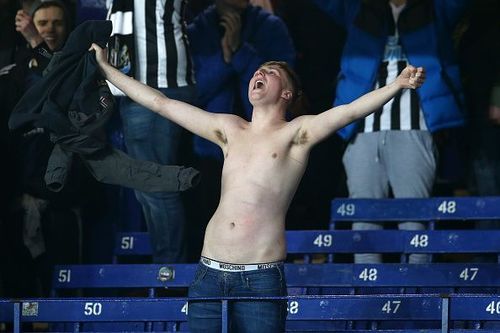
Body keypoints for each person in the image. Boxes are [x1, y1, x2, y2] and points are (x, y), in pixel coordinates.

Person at [91, 41, 425, 332]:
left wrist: (396, 85)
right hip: (209, 273)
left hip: (260, 277)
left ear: (287, 93)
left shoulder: (296, 134)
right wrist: (106, 69)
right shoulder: (228, 128)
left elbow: (350, 112)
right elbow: (161, 103)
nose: (258, 73)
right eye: (256, 71)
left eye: (270, 71)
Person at [312, 0, 468, 264]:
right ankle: (366, 292)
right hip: (361, 128)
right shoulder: (359, 8)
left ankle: (419, 294)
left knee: (415, 219)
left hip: (415, 125)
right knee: (363, 218)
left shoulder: (434, 9)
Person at [106, 0, 197, 264]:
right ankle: (168, 267)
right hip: (131, 82)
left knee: (155, 184)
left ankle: (169, 272)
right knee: (147, 187)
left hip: (158, 82)